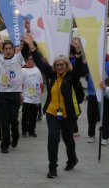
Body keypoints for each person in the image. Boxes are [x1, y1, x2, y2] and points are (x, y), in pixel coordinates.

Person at [23, 33, 84, 179]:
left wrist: (79, 51)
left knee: (68, 139)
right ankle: (53, 167)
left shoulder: (71, 77)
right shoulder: (52, 75)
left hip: (68, 113)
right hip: (52, 112)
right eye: (57, 65)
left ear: (66, 65)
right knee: (53, 138)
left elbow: (79, 68)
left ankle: (72, 158)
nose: (60, 67)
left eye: (62, 64)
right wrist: (31, 45)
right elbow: (39, 62)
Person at [0, 35, 24, 153]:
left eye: (10, 48)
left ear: (13, 50)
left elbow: (26, 50)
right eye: (6, 48)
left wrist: (28, 38)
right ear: (3, 50)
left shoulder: (18, 58)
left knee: (14, 120)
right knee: (5, 120)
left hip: (15, 94)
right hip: (3, 94)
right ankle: (5, 143)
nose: (8, 50)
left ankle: (16, 135)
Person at [21, 53, 44, 137]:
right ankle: (24, 129)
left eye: (33, 59)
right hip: (26, 96)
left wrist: (40, 92)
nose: (32, 60)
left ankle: (31, 130)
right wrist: (21, 94)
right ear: (26, 60)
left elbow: (41, 82)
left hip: (35, 96)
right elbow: (20, 84)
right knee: (26, 113)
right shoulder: (22, 70)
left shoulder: (37, 69)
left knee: (34, 115)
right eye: (31, 59)